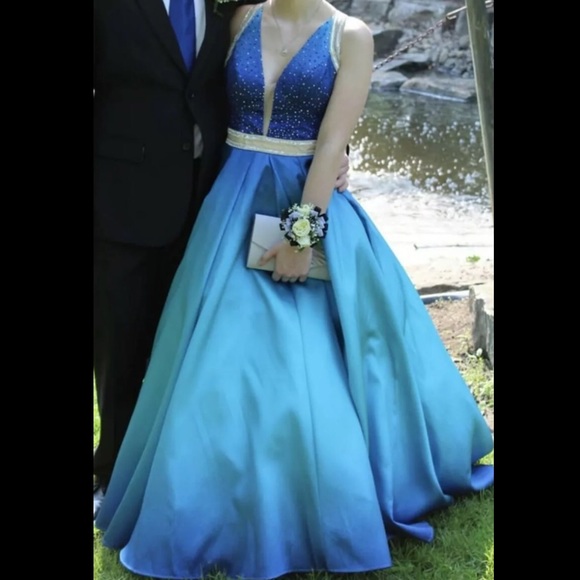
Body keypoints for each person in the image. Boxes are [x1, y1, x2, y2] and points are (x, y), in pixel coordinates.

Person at [95, 0, 494, 578]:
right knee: (214, 360)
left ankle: (314, 497)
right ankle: (205, 494)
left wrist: (302, 235)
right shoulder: (239, 20)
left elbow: (332, 143)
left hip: (304, 201)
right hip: (226, 209)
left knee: (310, 364)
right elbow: (204, 99)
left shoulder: (351, 36)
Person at [93, 0, 350, 517]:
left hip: (216, 198)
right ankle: (114, 473)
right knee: (120, 345)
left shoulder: (232, 5)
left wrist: (338, 152)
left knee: (205, 347)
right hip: (121, 196)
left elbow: (281, 75)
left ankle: (190, 470)